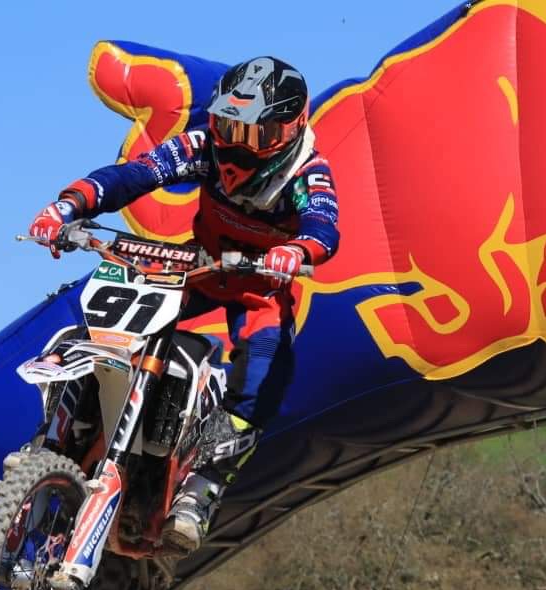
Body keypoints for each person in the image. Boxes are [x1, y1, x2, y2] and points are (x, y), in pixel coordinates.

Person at [30, 56, 341, 553]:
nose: (237, 144)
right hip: (198, 265)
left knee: (267, 374)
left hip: (260, 285)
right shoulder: (203, 147)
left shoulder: (309, 171)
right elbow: (135, 175)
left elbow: (323, 227)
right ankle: (63, 429)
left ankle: (202, 487)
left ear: (290, 128)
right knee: (106, 313)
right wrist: (69, 205)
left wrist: (297, 251)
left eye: (254, 134)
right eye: (228, 126)